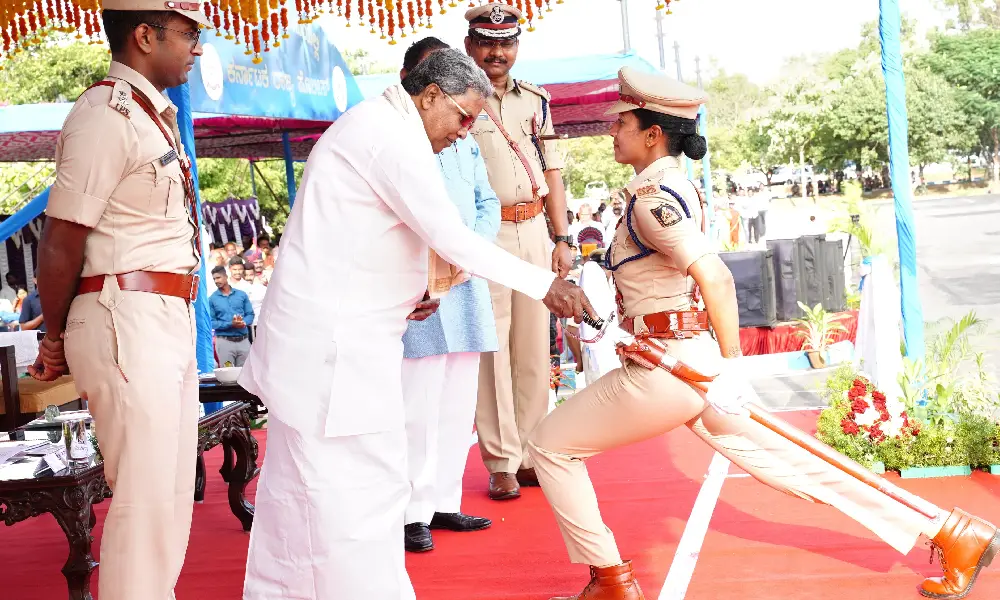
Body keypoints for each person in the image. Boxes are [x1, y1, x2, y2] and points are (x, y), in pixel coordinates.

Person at [526, 67, 999, 600]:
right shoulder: (671, 186)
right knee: (792, 464)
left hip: (670, 368)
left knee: (548, 445)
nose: (613, 134)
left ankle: (611, 580)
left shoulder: (651, 200)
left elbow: (718, 278)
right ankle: (954, 533)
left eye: (622, 124)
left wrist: (733, 368)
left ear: (652, 133)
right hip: (677, 358)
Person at [238, 48, 594, 600]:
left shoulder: (381, 127)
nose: (465, 133)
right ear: (430, 96)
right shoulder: (390, 137)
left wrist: (411, 291)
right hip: (333, 354)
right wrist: (546, 286)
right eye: (463, 117)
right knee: (353, 492)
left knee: (305, 496)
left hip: (339, 342)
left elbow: (363, 240)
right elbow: (452, 236)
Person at [28, 2, 209, 599]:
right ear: (144, 35)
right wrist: (53, 340)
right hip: (123, 314)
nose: (197, 47)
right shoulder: (104, 115)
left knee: (171, 495)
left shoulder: (148, 113)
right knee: (146, 496)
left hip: (163, 315)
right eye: (189, 34)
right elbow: (59, 241)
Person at [465, 1, 574, 501]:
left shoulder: (537, 100)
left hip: (533, 230)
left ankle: (533, 453)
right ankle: (502, 461)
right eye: (487, 42)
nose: (496, 52)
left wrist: (563, 236)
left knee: (534, 347)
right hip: (485, 236)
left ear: (516, 48)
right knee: (493, 350)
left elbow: (553, 171)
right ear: (471, 44)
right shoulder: (459, 94)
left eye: (506, 43)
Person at [394, 37, 499, 555]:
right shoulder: (399, 139)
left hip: (466, 279)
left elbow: (488, 202)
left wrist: (470, 248)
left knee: (458, 402)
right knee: (418, 402)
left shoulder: (465, 139)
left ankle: (443, 501)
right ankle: (412, 512)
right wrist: (443, 256)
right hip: (422, 285)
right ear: (421, 85)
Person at [209, 265, 254, 367]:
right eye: (214, 279)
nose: (216, 281)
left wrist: (243, 323)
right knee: (228, 374)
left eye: (218, 277)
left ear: (226, 276)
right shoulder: (212, 299)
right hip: (224, 342)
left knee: (245, 375)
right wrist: (231, 324)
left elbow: (250, 314)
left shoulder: (241, 295)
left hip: (243, 340)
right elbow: (212, 323)